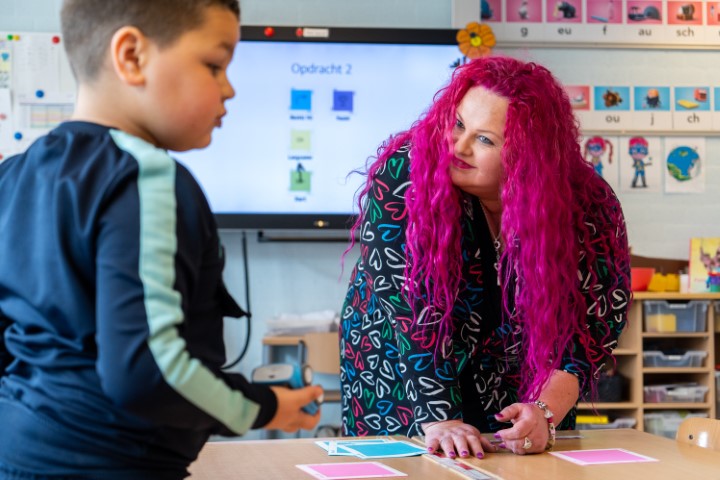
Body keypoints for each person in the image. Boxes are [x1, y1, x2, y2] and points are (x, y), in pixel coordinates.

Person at [0, 1, 322, 478]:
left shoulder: (15, 174)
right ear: (131, 56)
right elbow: (148, 370)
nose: (229, 89)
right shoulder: (146, 177)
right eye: (214, 65)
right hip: (113, 465)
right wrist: (266, 406)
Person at [339, 56, 631, 459]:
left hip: (520, 375)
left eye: (485, 140)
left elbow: (595, 323)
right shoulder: (405, 176)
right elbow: (409, 311)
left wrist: (545, 412)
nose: (458, 146)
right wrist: (439, 418)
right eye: (458, 124)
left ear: (529, 155)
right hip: (405, 370)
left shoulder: (586, 204)